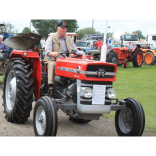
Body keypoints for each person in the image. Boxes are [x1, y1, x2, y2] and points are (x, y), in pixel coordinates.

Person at [43, 21, 86, 90]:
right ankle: (51, 86)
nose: (64, 30)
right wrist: (53, 53)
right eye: (63, 28)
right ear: (58, 29)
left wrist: (82, 53)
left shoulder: (68, 39)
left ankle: (74, 85)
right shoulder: (51, 37)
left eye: (65, 29)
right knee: (53, 64)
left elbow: (75, 50)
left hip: (65, 60)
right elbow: (47, 51)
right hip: (52, 59)